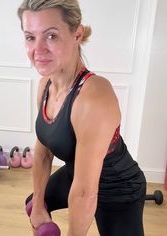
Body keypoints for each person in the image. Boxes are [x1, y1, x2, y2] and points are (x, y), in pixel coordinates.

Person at [17, 1, 146, 235]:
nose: (38, 49)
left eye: (51, 36)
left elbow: (85, 193)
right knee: (34, 201)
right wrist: (37, 207)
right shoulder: (45, 84)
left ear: (77, 34)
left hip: (118, 188)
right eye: (30, 37)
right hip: (76, 173)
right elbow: (43, 150)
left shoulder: (94, 96)